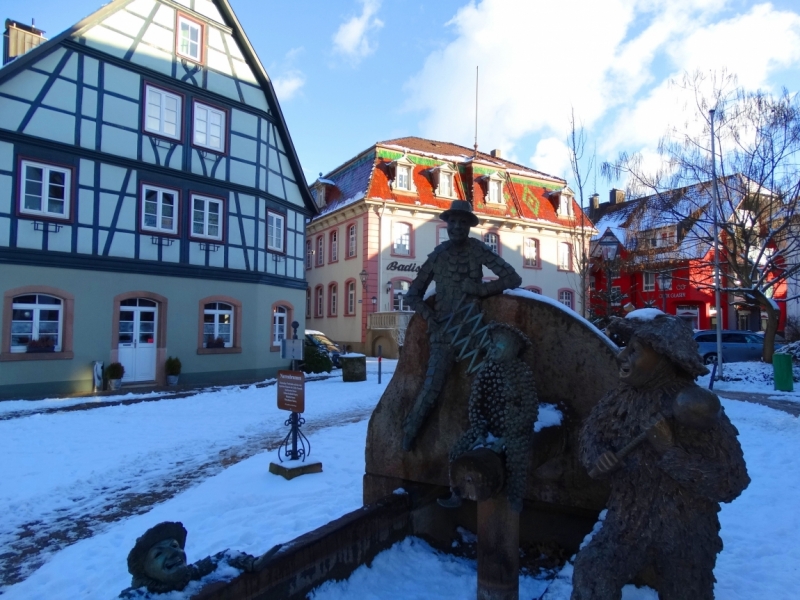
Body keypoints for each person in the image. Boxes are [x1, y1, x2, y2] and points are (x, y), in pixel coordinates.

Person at [571, 313, 750, 600]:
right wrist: (598, 456)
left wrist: (670, 452)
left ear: (665, 358)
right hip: (627, 522)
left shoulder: (695, 407)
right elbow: (591, 434)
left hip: (686, 529)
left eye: (634, 352)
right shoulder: (621, 397)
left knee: (686, 591)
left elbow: (732, 481)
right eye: (625, 347)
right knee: (593, 571)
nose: (621, 355)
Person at [402, 200, 521, 451]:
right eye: (452, 222)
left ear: (469, 226)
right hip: (444, 334)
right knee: (431, 389)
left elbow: (512, 277)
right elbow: (412, 295)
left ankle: (496, 440)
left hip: (475, 332)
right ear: (446, 225)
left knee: (491, 387)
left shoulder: (477, 249)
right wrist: (430, 317)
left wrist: (480, 289)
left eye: (462, 222)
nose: (456, 227)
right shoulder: (438, 256)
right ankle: (406, 441)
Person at [120, 521, 281, 597]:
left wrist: (249, 562)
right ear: (145, 570)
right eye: (158, 554)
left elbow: (220, 558)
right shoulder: (137, 596)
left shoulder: (187, 576)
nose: (174, 553)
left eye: (175, 546)